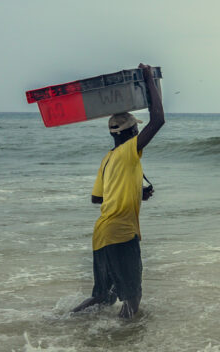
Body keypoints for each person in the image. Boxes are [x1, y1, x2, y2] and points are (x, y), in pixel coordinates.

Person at [71, 64, 164, 319]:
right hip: (121, 233)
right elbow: (158, 120)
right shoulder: (129, 151)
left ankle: (63, 324)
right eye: (136, 129)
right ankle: (125, 342)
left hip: (101, 233)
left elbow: (97, 198)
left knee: (103, 297)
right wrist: (149, 80)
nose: (138, 131)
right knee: (133, 299)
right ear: (132, 132)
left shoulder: (108, 158)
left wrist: (137, 194)